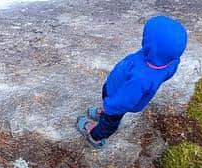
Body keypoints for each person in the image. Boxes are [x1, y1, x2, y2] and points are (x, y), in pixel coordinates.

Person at [75, 14, 188, 149]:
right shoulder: (168, 61)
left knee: (110, 120)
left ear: (152, 46)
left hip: (116, 98)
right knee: (111, 110)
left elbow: (124, 101)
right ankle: (105, 114)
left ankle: (96, 135)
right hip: (118, 89)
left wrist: (109, 107)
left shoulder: (140, 78)